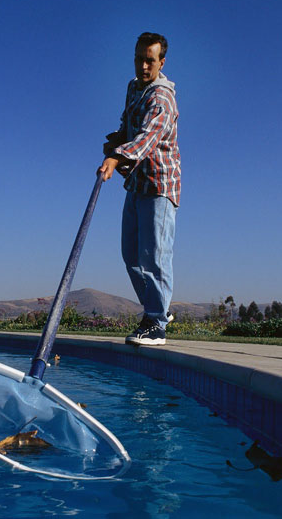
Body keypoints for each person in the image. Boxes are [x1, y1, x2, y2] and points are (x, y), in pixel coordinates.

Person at [98, 32, 180, 346]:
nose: (144, 66)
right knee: (130, 254)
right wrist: (116, 140)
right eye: (139, 59)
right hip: (136, 182)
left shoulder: (163, 97)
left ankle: (156, 323)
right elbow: (129, 126)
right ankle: (159, 308)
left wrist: (117, 156)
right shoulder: (134, 88)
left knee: (155, 256)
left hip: (159, 183)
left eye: (150, 60)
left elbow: (148, 137)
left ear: (161, 62)